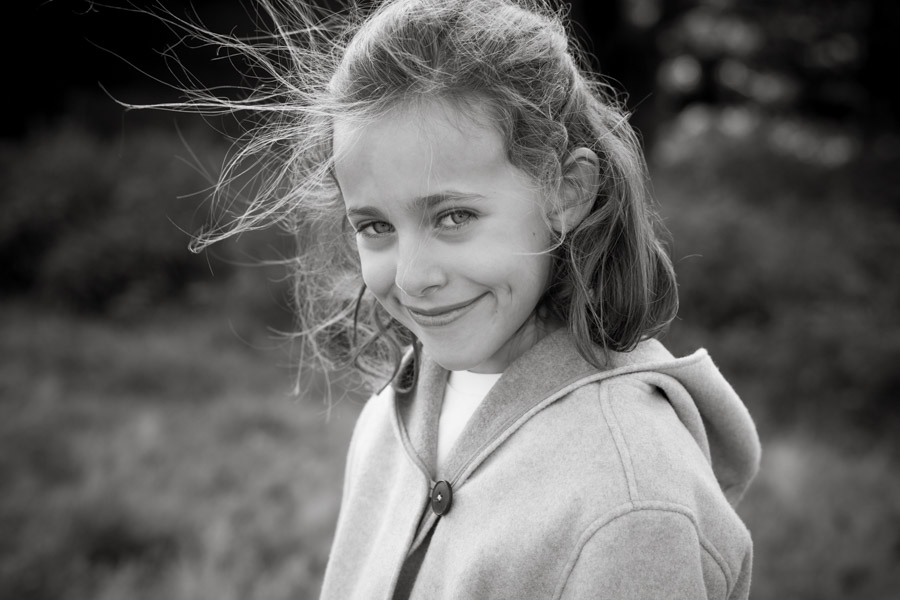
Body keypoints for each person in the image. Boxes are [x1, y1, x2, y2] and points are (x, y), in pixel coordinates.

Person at [183, 0, 761, 597]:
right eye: (375, 227)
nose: (411, 278)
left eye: (454, 216)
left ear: (565, 193)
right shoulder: (394, 412)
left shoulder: (634, 505)